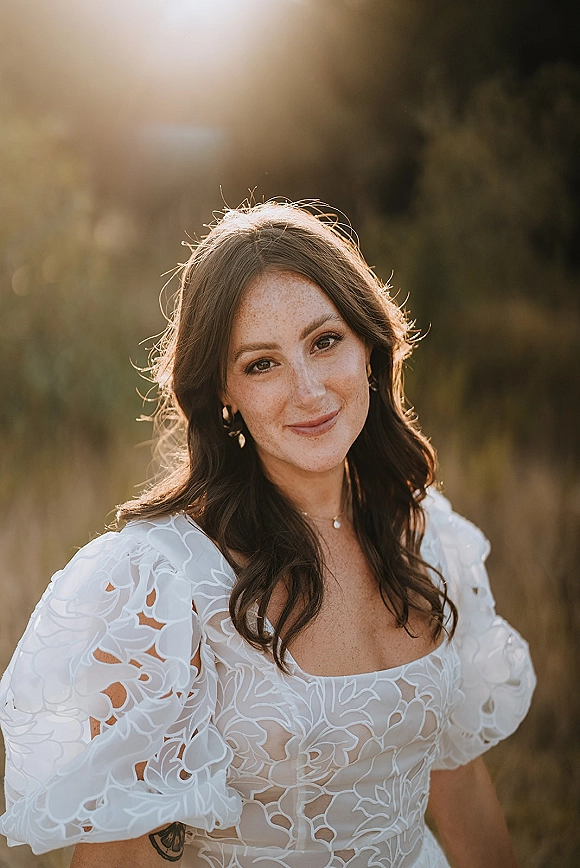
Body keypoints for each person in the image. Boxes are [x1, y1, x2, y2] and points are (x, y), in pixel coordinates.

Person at [0, 201, 535, 868]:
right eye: (262, 364)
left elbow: (461, 786)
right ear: (224, 391)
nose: (307, 390)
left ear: (368, 346)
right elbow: (119, 858)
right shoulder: (160, 585)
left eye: (324, 341)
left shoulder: (427, 536)